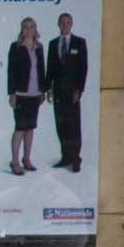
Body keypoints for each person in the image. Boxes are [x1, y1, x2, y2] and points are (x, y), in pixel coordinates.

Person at [3, 16, 46, 176]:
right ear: (22, 30)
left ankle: (26, 159)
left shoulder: (39, 47)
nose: (28, 30)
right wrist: (12, 93)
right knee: (20, 128)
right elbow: (11, 72)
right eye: (25, 27)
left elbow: (42, 70)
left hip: (35, 94)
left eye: (31, 27)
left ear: (35, 29)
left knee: (30, 128)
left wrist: (44, 90)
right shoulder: (15, 47)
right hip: (21, 93)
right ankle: (14, 162)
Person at [47, 12, 87, 172]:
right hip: (57, 91)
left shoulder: (79, 42)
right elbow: (49, 69)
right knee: (61, 124)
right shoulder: (52, 44)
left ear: (72, 24)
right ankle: (65, 157)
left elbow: (83, 68)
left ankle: (76, 158)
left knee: (74, 125)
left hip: (73, 92)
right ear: (58, 24)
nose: (64, 25)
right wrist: (48, 89)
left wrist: (79, 90)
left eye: (67, 22)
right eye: (62, 22)